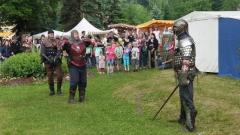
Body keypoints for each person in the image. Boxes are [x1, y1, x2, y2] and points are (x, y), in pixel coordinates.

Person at [172, 19, 198, 132]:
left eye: (175, 27)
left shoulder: (185, 41)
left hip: (186, 73)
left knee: (186, 98)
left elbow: (186, 61)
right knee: (183, 96)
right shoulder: (182, 39)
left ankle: (190, 125)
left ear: (181, 28)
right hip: (184, 73)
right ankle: (183, 118)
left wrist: (183, 77)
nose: (173, 29)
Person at [61, 30, 89, 104]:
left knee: (83, 81)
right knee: (75, 81)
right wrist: (62, 43)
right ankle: (71, 98)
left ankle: (81, 98)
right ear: (72, 35)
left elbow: (90, 43)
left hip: (82, 64)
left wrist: (88, 39)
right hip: (73, 64)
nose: (76, 35)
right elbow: (60, 48)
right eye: (75, 34)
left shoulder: (82, 42)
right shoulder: (68, 44)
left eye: (77, 34)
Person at [40, 30, 63, 96]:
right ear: (48, 34)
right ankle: (52, 91)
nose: (52, 35)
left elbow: (59, 51)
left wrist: (55, 58)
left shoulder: (57, 41)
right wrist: (48, 59)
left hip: (56, 60)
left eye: (52, 34)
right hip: (48, 60)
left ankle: (59, 90)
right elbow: (42, 53)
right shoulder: (44, 42)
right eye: (50, 34)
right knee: (50, 76)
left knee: (59, 75)